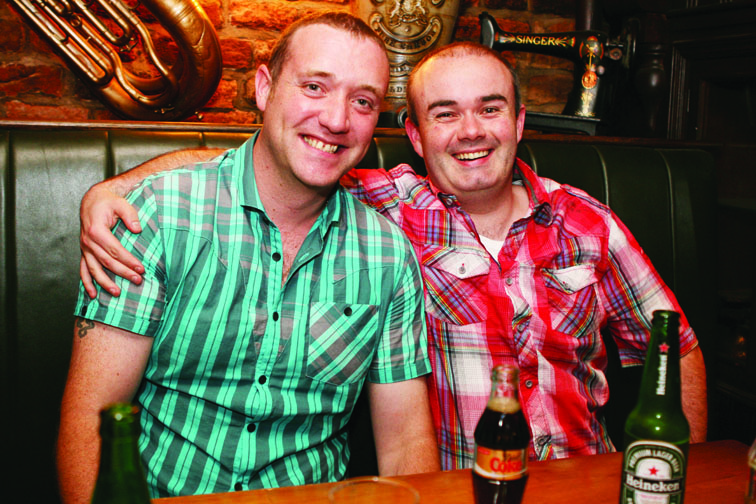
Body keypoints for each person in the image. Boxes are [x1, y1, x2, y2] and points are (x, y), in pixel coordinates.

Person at [77, 42, 708, 471]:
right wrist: (115, 187)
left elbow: (674, 345)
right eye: (445, 114)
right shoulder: (387, 207)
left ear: (519, 122)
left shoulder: (588, 221)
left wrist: (678, 475)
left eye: (490, 110)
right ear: (414, 135)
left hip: (585, 481)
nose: (471, 131)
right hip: (462, 488)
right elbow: (276, 160)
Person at [58, 12, 440, 504]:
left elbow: (406, 442)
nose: (337, 119)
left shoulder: (388, 255)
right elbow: (92, 419)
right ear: (264, 88)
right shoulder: (160, 215)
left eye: (362, 101)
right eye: (315, 87)